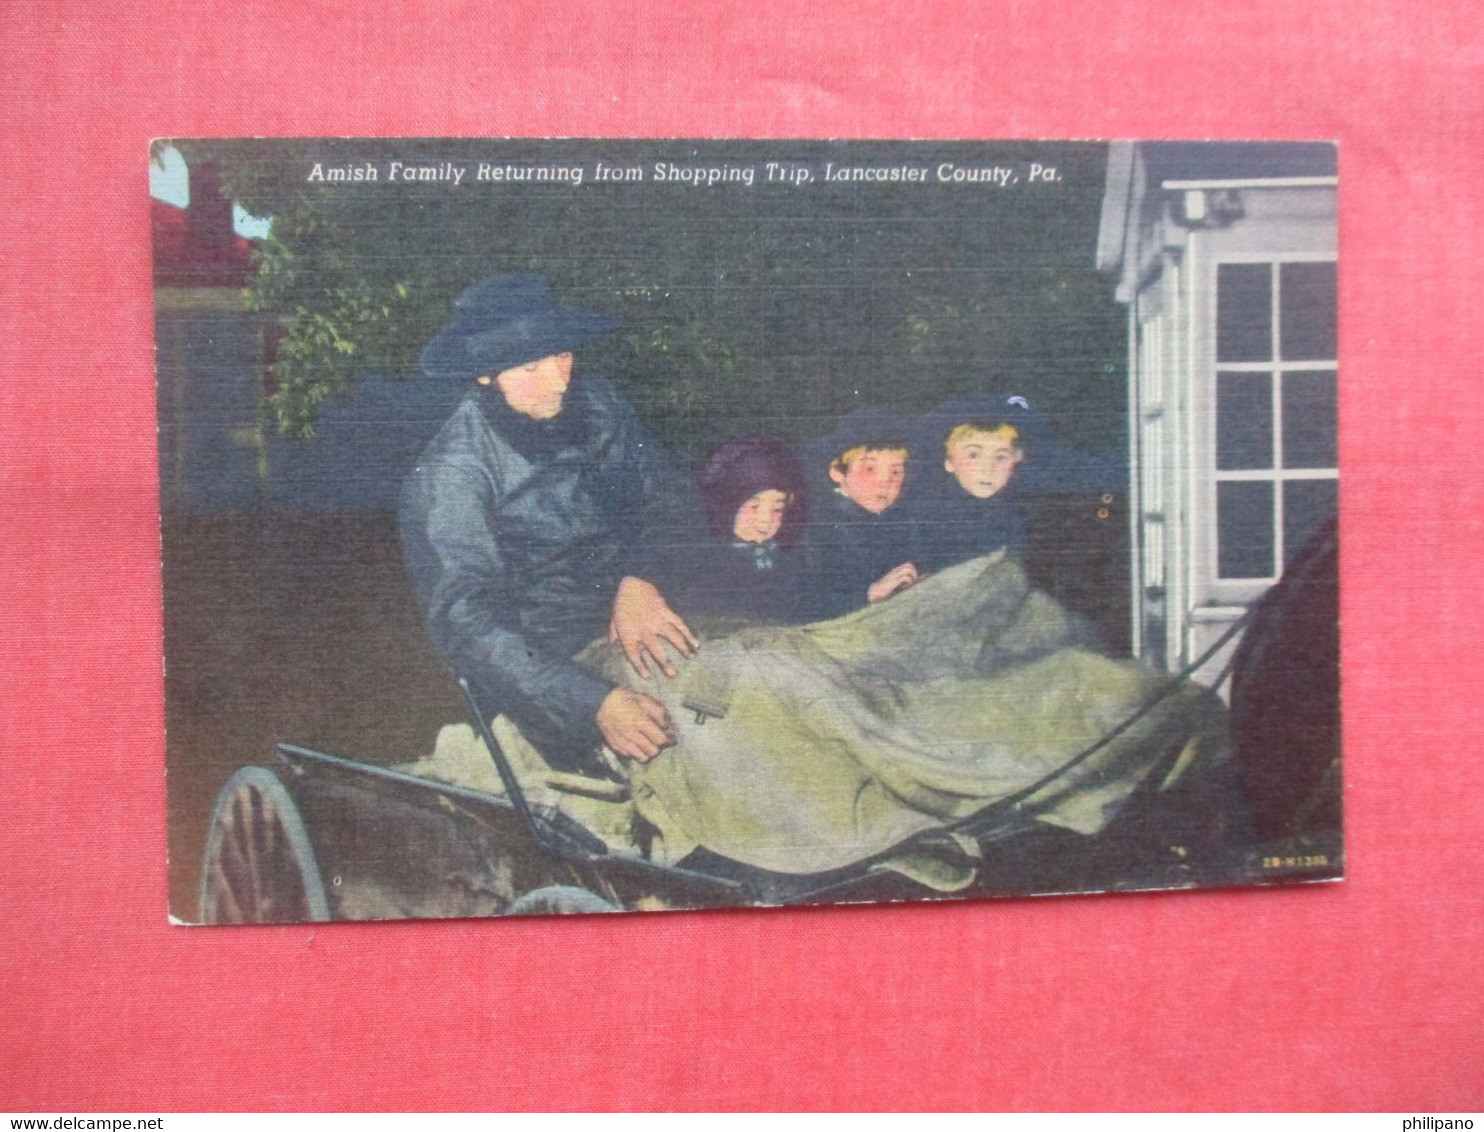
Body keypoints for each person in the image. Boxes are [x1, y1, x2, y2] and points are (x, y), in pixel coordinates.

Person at [399, 273, 699, 769]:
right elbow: (467, 626)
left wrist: (640, 578)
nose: (559, 380)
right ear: (484, 375)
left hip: (640, 624)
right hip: (548, 677)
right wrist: (594, 703)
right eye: (533, 366)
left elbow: (671, 497)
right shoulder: (451, 477)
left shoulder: (597, 404)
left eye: (563, 357)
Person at [663, 435, 809, 624]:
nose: (765, 524)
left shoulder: (789, 559)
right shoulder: (702, 562)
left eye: (777, 510)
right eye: (753, 508)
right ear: (727, 506)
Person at [798, 408, 921, 620]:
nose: (885, 482)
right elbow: (806, 600)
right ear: (838, 472)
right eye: (870, 469)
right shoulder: (818, 526)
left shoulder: (899, 521)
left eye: (895, 471)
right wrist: (869, 594)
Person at [910, 399, 1033, 572]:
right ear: (949, 462)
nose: (987, 469)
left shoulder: (1017, 514)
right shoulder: (930, 517)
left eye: (1001, 457)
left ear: (1015, 461)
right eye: (973, 455)